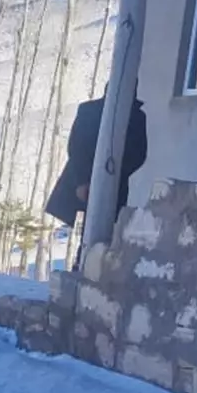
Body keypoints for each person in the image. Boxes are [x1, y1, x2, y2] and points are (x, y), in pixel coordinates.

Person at [45, 86, 148, 270]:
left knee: (108, 226)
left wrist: (118, 173)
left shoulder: (137, 117)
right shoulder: (90, 111)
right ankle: (81, 263)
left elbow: (140, 153)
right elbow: (76, 148)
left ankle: (92, 265)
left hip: (117, 180)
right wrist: (83, 180)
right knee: (87, 223)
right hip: (85, 176)